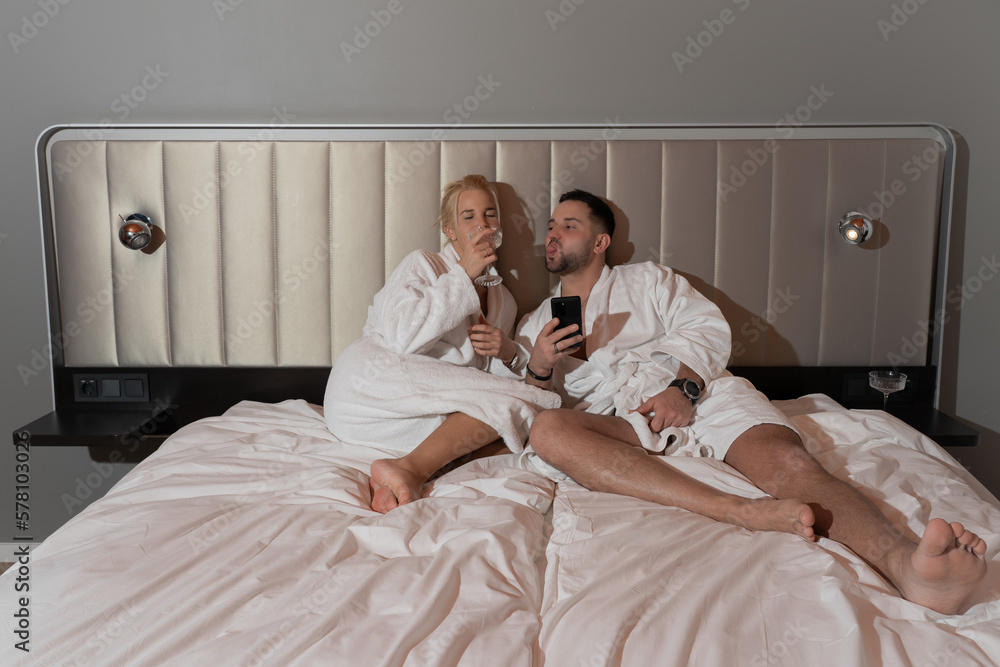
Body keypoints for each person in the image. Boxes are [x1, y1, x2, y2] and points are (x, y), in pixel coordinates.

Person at [516, 188, 987, 615]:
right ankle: (738, 509)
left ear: (600, 242)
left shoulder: (648, 280)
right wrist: (538, 365)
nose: (553, 234)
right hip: (623, 422)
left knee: (790, 464)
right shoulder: (535, 323)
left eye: (569, 225)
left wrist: (682, 390)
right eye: (551, 226)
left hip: (700, 396)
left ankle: (906, 565)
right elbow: (524, 405)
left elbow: (706, 327)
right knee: (549, 431)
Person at [324, 175, 560, 513]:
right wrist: (462, 275)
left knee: (519, 425)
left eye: (490, 215)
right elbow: (401, 337)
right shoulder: (423, 264)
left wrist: (507, 352)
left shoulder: (504, 300)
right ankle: (410, 469)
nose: (482, 224)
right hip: (372, 384)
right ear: (451, 230)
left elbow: (484, 381)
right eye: (469, 216)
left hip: (424, 406)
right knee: (531, 406)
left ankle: (399, 474)